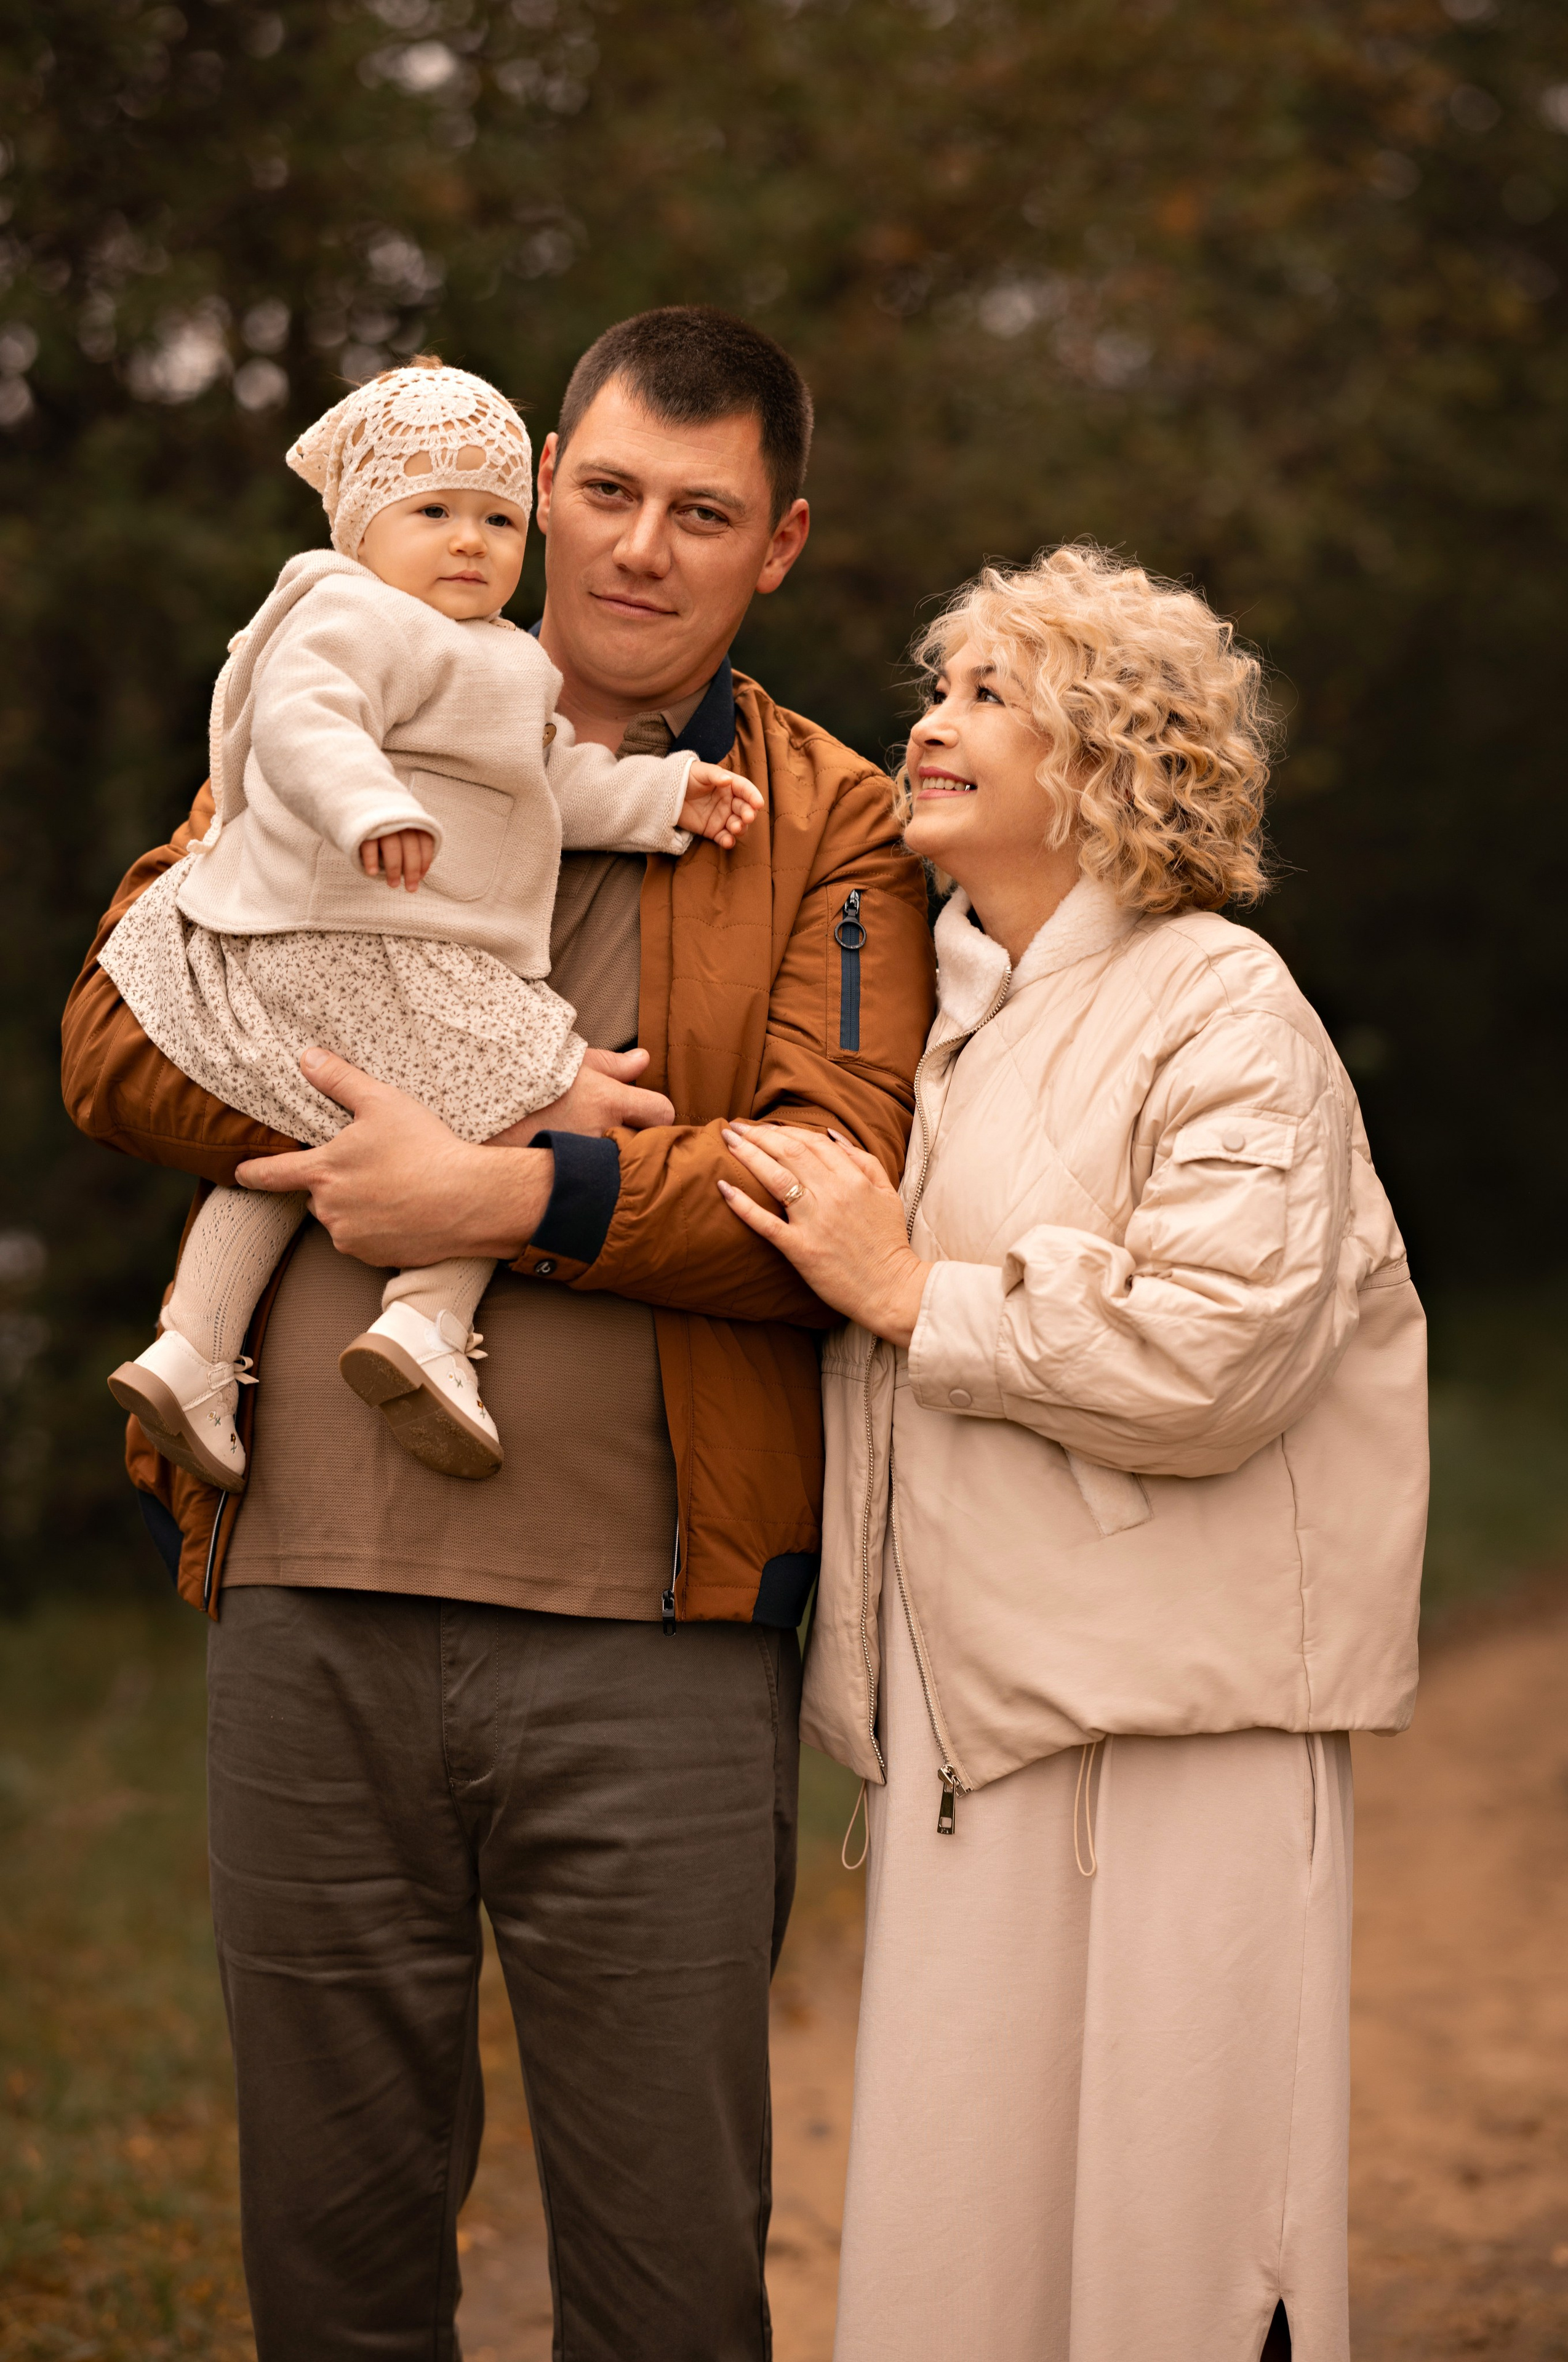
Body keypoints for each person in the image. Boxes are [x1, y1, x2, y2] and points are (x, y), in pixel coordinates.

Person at [60, 306, 935, 2362]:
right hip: (304, 1597)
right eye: (609, 490)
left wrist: (508, 1198)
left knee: (663, 2275)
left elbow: (834, 1176)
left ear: (778, 544)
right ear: (546, 478)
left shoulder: (831, 821)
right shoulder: (336, 680)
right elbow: (116, 1036)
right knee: (334, 2262)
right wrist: (418, 1114)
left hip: (656, 1640)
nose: (640, 547)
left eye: (701, 515)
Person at [719, 543, 1428, 2362]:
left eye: (982, 697)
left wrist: (913, 1290)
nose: (927, 727)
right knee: (969, 2261)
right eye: (935, 689)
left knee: (1186, 2256)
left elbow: (1221, 1348)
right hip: (971, 1730)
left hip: (1181, 1729)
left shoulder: (1225, 1004)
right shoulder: (939, 1016)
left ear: (1107, 755)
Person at [101, 355, 760, 1489]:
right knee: (543, 1097)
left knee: (298, 1134)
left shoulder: (499, 655)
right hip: (337, 932)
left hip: (365, 948)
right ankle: (426, 1324)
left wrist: (667, 798)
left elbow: (554, 782)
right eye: (434, 512)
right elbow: (304, 725)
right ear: (364, 525)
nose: (471, 542)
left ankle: (194, 1346)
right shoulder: (350, 611)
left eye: (499, 519)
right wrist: (371, 806)